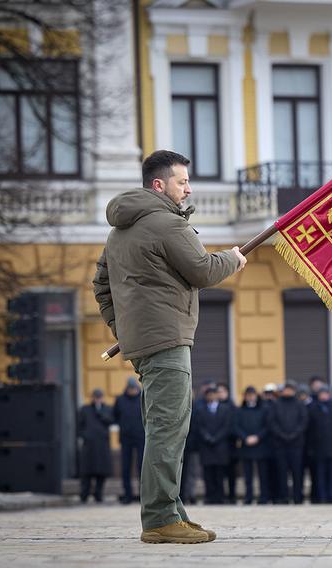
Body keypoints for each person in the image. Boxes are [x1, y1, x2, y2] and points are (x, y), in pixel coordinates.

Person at [92, 149, 246, 544]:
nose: (188, 189)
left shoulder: (118, 230)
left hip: (143, 343)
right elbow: (204, 270)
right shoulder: (166, 223)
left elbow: (101, 286)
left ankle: (172, 511)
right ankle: (160, 519)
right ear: (159, 185)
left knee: (163, 426)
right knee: (168, 429)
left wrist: (122, 329)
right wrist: (232, 259)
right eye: (182, 182)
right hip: (168, 340)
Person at [267, 383, 309, 504]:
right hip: (280, 444)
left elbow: (304, 421)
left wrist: (293, 435)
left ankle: (298, 497)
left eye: (290, 389)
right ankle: (283, 497)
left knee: (297, 472)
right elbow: (272, 422)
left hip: (296, 445)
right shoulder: (276, 404)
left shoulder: (299, 404)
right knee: (281, 472)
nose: (288, 392)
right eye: (286, 389)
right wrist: (282, 435)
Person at [193, 386, 232, 504]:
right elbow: (199, 426)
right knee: (208, 473)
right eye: (209, 394)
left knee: (220, 473)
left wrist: (217, 438)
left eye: (213, 394)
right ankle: (209, 497)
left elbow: (227, 426)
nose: (211, 396)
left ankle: (220, 497)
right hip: (206, 446)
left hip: (220, 446)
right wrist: (208, 437)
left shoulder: (225, 409)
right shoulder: (201, 409)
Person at [234, 386, 271, 504]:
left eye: (252, 394)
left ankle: (263, 497)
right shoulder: (240, 411)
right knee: (247, 475)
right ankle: (248, 497)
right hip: (246, 446)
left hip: (261, 446)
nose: (250, 397)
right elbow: (236, 426)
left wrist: (257, 437)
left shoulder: (263, 409)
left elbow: (267, 426)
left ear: (256, 396)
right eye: (248, 395)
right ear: (245, 396)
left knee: (262, 474)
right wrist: (245, 438)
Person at [78, 389, 114, 503]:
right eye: (96, 397)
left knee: (101, 472)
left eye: (100, 397)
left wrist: (101, 414)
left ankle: (98, 494)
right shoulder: (85, 409)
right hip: (89, 445)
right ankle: (84, 494)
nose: (98, 399)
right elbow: (79, 425)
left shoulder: (107, 409)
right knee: (86, 472)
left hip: (102, 445)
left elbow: (111, 421)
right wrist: (85, 435)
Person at [114, 377, 145, 504]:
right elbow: (115, 415)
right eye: (130, 388)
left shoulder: (142, 398)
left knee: (141, 467)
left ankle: (142, 495)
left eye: (134, 388)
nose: (132, 391)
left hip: (141, 437)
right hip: (126, 438)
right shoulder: (120, 400)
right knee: (125, 468)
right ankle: (127, 495)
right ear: (127, 388)